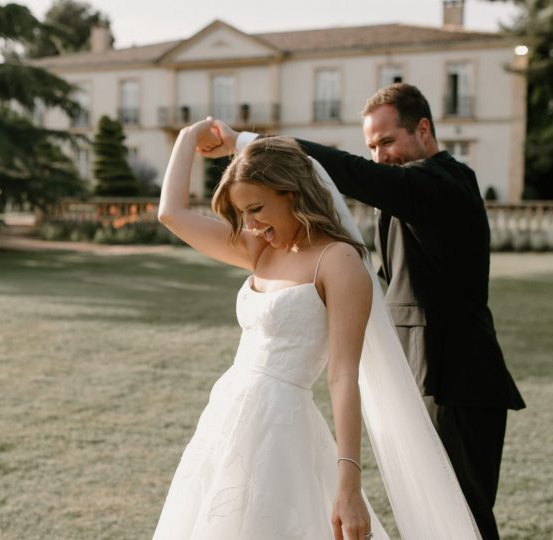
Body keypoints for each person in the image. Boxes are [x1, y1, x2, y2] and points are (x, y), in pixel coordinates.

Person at [203, 83, 525, 540]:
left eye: (387, 141)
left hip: (460, 379)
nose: (378, 155)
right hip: (418, 374)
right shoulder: (411, 190)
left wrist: (248, 144)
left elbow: (359, 176)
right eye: (371, 146)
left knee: (464, 518)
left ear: (424, 129)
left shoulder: (446, 183)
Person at [153, 118, 481, 539]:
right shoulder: (260, 250)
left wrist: (350, 486)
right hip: (226, 418)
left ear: (291, 194)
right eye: (241, 213)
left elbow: (344, 376)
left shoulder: (339, 262)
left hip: (282, 430)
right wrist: (185, 138)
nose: (250, 225)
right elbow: (171, 213)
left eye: (256, 209)